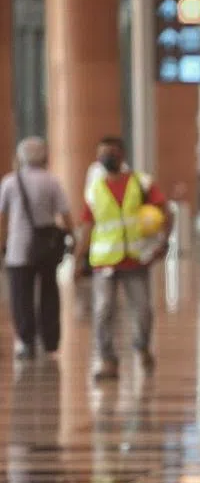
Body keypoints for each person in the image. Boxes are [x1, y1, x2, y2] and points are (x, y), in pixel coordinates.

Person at [73, 136, 173, 381]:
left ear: (122, 155)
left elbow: (166, 211)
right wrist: (78, 259)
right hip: (104, 261)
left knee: (143, 310)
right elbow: (87, 226)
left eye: (112, 152)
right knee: (103, 310)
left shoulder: (141, 183)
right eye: (102, 153)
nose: (107, 157)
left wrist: (163, 241)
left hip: (135, 260)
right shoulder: (95, 190)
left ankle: (142, 346)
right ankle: (108, 360)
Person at [0, 137, 74, 361]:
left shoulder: (10, 182)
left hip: (18, 248)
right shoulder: (51, 181)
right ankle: (50, 341)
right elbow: (65, 215)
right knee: (49, 292)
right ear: (44, 156)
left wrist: (2, 244)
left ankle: (26, 341)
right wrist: (71, 238)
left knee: (20, 296)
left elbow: (2, 218)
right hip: (46, 247)